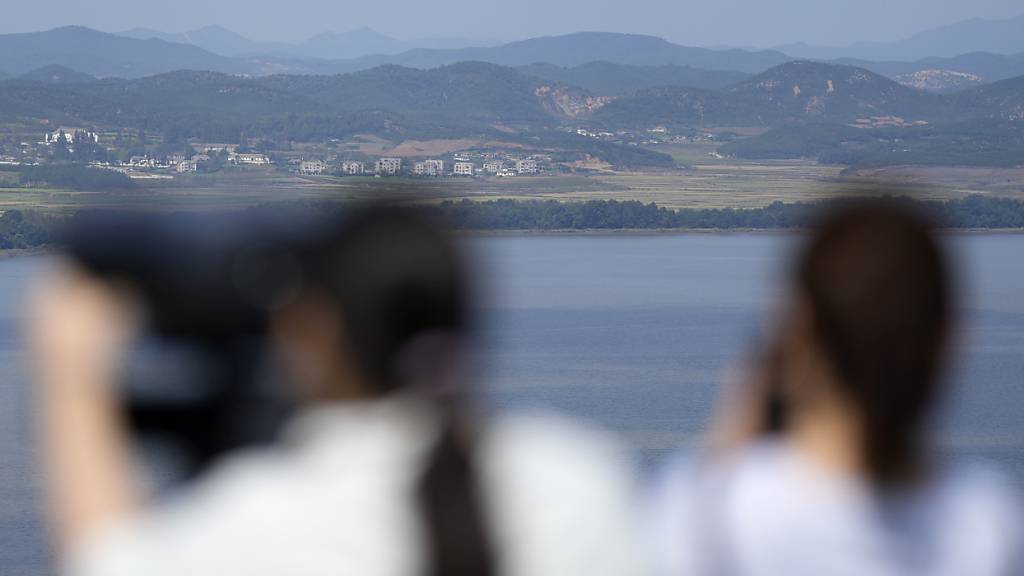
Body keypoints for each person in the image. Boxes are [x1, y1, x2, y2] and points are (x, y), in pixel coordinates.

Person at [29, 206, 641, 576]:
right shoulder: (579, 480)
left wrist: (72, 373)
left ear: (316, 332)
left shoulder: (267, 521)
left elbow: (102, 562)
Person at [650, 201, 1023, 576]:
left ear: (799, 333)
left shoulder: (711, 510)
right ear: (944, 337)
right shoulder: (985, 522)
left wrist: (738, 425)